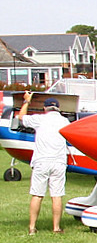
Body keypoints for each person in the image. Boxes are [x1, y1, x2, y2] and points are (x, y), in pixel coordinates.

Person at [19, 92, 70, 234]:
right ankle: (56, 228)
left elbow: (21, 117)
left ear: (45, 109)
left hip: (41, 161)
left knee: (37, 194)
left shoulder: (39, 120)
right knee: (57, 195)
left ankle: (32, 228)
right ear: (58, 109)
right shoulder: (64, 122)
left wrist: (26, 102)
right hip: (59, 162)